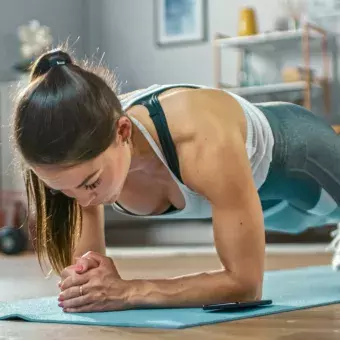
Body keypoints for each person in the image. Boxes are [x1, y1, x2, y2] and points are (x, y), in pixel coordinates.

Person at [12, 48, 340, 313]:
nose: (81, 201)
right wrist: (89, 287)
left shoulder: (199, 138)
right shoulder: (73, 160)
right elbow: (92, 281)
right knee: (294, 222)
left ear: (123, 132)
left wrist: (130, 291)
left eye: (90, 183)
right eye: (63, 190)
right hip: (263, 205)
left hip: (300, 155)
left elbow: (245, 285)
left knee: (326, 213)